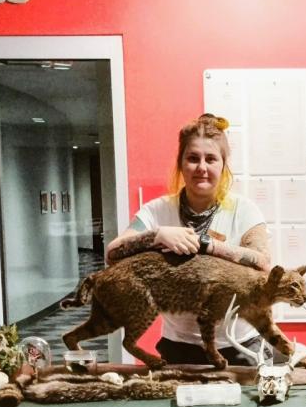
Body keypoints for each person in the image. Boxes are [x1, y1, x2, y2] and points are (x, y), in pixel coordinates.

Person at [103, 113, 273, 365]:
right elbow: (112, 254)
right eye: (193, 158)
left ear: (223, 166)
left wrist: (209, 245)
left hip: (240, 346)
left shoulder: (244, 210)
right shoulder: (156, 211)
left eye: (211, 159)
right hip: (179, 346)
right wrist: (156, 235)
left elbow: (263, 264)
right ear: (181, 164)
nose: (201, 167)